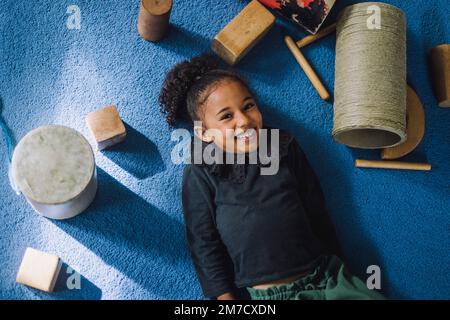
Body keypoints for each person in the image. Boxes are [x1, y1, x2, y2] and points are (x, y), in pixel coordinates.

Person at [159, 53, 385, 300]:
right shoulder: (200, 170)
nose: (244, 121)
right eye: (226, 116)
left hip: (329, 276)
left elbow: (316, 208)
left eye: (248, 106)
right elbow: (203, 244)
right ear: (204, 133)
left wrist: (342, 267)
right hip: (275, 295)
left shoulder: (284, 145)